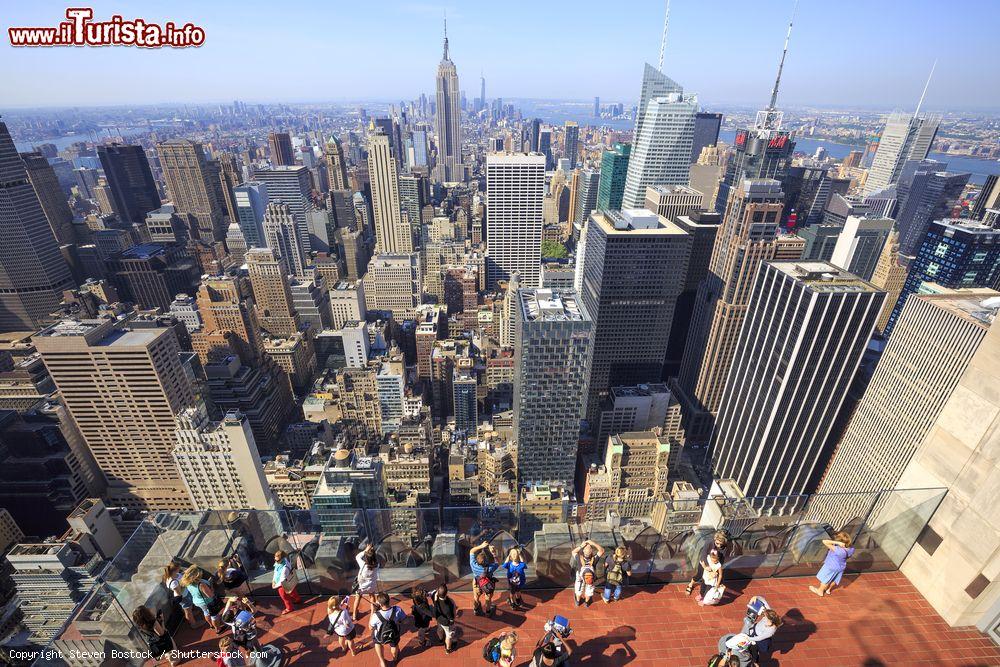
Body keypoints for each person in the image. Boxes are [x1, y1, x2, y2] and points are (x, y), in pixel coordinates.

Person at [810, 531, 855, 597]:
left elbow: (824, 541)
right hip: (841, 566)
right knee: (834, 579)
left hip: (831, 566)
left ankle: (820, 591)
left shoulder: (838, 550)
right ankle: (828, 589)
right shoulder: (851, 549)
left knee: (826, 579)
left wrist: (837, 543)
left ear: (840, 542)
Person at [180, 564, 224, 631]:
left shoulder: (188, 583)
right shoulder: (201, 584)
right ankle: (218, 629)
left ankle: (211, 625)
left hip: (198, 602)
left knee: (206, 612)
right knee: (214, 615)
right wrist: (211, 585)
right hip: (208, 602)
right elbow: (210, 595)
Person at [687, 530, 731, 596]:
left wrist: (716, 570)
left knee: (709, 578)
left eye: (721, 544)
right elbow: (703, 554)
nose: (719, 546)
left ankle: (703, 592)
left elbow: (722, 559)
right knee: (699, 575)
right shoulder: (709, 542)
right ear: (715, 539)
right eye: (717, 543)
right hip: (705, 562)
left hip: (715, 564)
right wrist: (706, 566)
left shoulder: (725, 547)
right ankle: (691, 584)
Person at [369, 592, 406, 667]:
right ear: (389, 600)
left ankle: (382, 662)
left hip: (380, 636)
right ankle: (395, 658)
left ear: (380, 604)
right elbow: (404, 620)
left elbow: (370, 627)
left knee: (377, 643)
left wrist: (373, 611)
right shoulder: (397, 609)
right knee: (394, 645)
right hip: (393, 634)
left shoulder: (376, 615)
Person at [163, 561, 198, 628]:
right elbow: (179, 592)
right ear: (175, 570)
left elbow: (180, 577)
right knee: (187, 611)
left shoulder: (171, 576)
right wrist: (186, 582)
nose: (180, 569)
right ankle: (193, 624)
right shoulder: (174, 583)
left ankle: (191, 615)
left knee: (188, 609)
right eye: (179, 568)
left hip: (186, 595)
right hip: (184, 597)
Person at [569, 539, 604, 607]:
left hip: (580, 575)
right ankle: (587, 603)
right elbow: (601, 550)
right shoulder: (594, 558)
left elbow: (573, 552)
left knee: (578, 588)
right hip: (590, 576)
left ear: (583, 551)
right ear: (591, 551)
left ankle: (578, 601)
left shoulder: (579, 557)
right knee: (589, 589)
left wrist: (581, 546)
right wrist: (592, 543)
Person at [470, 541, 499, 616]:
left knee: (476, 597)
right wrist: (493, 553)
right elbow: (497, 563)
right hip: (487, 584)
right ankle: (488, 612)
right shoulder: (490, 568)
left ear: (477, 560)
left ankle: (476, 610)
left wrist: (481, 546)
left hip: (477, 583)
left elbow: (471, 551)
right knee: (488, 598)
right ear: (487, 562)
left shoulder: (473, 565)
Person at [353, 543, 380, 619]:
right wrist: (372, 552)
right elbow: (373, 561)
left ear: (366, 558)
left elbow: (357, 557)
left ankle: (354, 614)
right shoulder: (377, 565)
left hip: (361, 586)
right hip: (371, 585)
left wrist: (366, 550)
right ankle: (372, 613)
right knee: (372, 596)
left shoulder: (363, 564)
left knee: (358, 597)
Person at [272, 550, 301, 614]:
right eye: (275, 559)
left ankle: (289, 608)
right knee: (292, 590)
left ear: (281, 559)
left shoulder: (284, 568)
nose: (276, 562)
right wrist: (274, 580)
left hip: (282, 585)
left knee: (285, 597)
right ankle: (297, 599)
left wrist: (274, 585)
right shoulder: (282, 562)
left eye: (277, 560)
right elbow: (276, 572)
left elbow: (282, 580)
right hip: (288, 580)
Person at [432, 584, 458, 654]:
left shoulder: (435, 599)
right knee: (449, 635)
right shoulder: (450, 603)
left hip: (439, 619)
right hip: (447, 623)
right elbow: (452, 616)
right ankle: (448, 649)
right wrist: (452, 621)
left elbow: (434, 611)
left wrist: (435, 598)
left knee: (439, 629)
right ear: (446, 593)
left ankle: (440, 639)